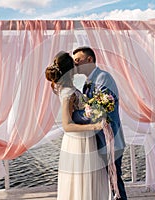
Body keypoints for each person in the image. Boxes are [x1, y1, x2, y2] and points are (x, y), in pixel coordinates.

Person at [45, 51, 110, 200]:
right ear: (70, 70)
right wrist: (94, 126)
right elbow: (67, 125)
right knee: (82, 182)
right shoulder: (68, 93)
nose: (77, 65)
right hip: (79, 141)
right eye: (74, 63)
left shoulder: (65, 88)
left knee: (85, 181)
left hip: (83, 140)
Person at [73, 46, 127, 200]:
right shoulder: (87, 82)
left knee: (114, 183)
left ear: (89, 60)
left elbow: (98, 112)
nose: (75, 65)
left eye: (78, 61)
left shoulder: (103, 78)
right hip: (97, 140)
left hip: (110, 140)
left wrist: (73, 116)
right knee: (103, 184)